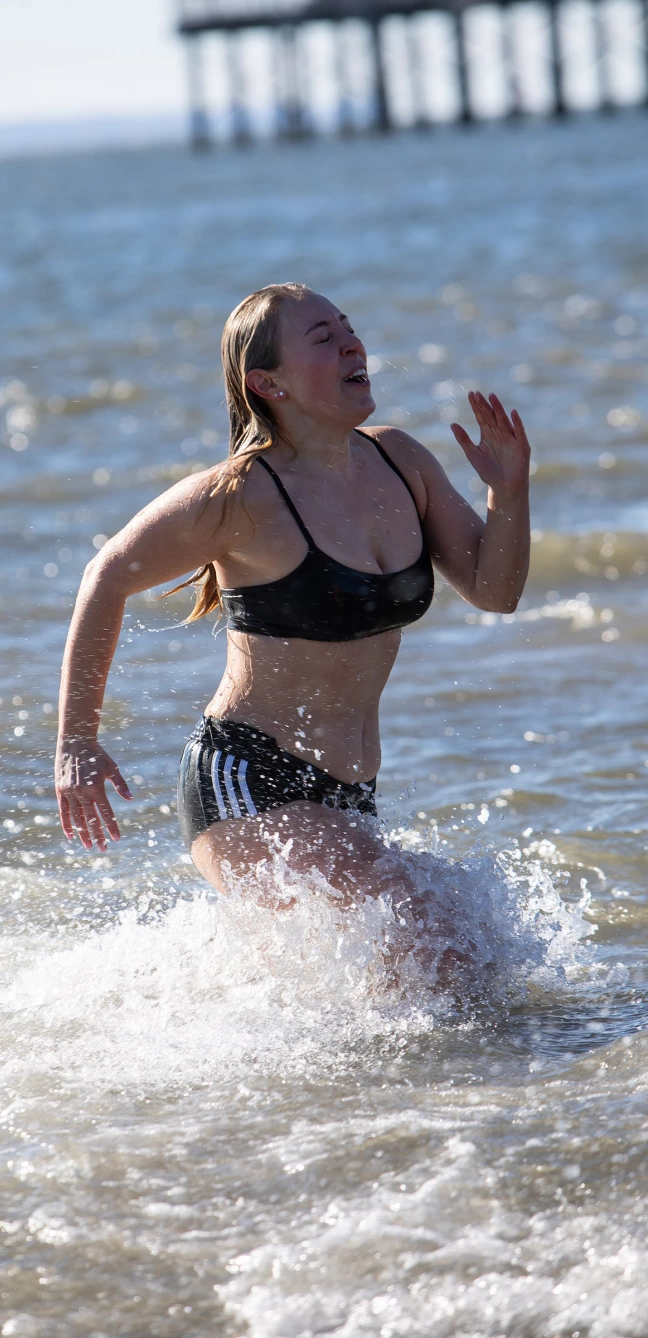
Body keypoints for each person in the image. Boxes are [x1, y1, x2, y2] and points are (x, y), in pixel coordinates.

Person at [55, 282, 530, 930]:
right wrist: (77, 743)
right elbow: (104, 575)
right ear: (268, 384)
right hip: (245, 778)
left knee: (446, 961)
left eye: (348, 328)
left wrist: (508, 491)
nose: (351, 343)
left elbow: (494, 590)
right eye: (323, 339)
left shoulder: (401, 461)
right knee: (430, 926)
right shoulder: (240, 497)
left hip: (348, 796)